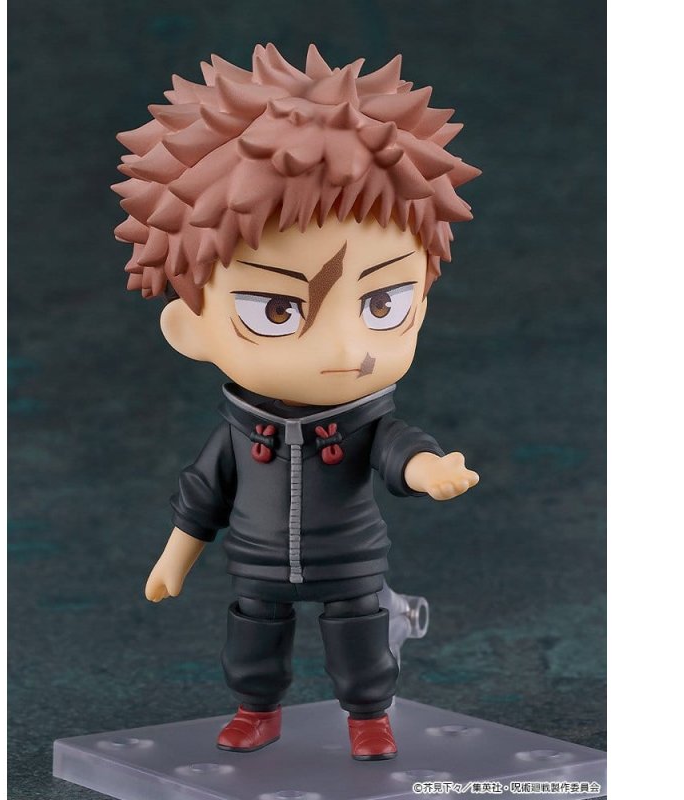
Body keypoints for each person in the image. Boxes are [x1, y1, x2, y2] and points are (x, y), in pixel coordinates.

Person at [115, 43, 480, 761]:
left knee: (360, 637)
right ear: (190, 329)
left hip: (349, 560)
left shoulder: (364, 416)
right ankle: (256, 710)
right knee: (253, 634)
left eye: (383, 304)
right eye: (277, 311)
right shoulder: (238, 428)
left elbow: (397, 448)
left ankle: (369, 717)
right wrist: (174, 560)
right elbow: (203, 495)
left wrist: (429, 470)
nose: (345, 348)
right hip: (256, 562)